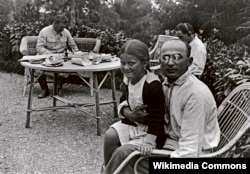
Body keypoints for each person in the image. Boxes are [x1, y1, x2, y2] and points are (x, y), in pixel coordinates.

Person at [107, 38, 220, 173]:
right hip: (169, 142)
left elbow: (190, 149)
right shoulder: (166, 84)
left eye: (177, 57)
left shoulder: (196, 95)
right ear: (159, 61)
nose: (170, 63)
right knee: (113, 140)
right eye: (165, 57)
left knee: (124, 156)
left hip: (189, 155)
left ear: (189, 62)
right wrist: (128, 113)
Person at [102, 39, 166, 174]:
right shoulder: (127, 79)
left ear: (144, 63)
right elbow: (123, 101)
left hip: (150, 131)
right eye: (123, 63)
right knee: (109, 136)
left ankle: (111, 171)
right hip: (133, 124)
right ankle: (110, 169)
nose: (126, 68)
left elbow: (157, 117)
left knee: (121, 152)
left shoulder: (152, 85)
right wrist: (128, 113)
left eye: (131, 63)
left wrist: (149, 142)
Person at [36, 14, 79, 98]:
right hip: (46, 56)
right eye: (61, 27)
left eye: (64, 27)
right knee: (37, 68)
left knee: (66, 68)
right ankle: (45, 89)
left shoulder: (65, 32)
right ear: (55, 24)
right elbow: (39, 47)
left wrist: (77, 54)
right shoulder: (44, 31)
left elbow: (73, 46)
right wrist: (51, 55)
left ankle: (58, 88)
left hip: (61, 57)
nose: (62, 30)